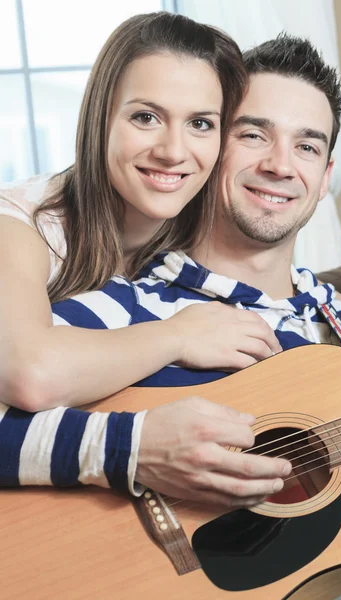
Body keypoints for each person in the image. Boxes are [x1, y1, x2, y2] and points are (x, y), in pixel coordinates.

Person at [0, 13, 288, 507]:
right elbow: (31, 373)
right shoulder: (20, 225)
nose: (173, 151)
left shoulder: (197, 228)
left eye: (200, 124)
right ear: (101, 119)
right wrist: (178, 336)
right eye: (145, 117)